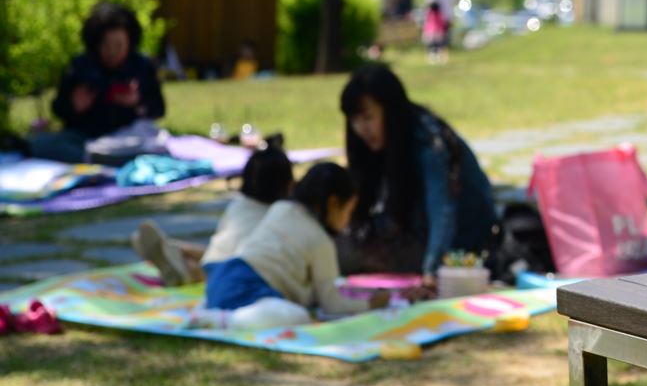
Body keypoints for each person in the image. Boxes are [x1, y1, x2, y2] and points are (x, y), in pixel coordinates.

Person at [338, 64, 496, 298]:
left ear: (390, 112)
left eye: (368, 118)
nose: (361, 129)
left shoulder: (428, 142)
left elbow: (442, 211)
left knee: (344, 254)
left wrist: (431, 274)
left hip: (459, 245)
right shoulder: (385, 142)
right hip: (417, 235)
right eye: (354, 120)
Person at [202, 162, 389, 320]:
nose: (348, 220)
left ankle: (216, 316)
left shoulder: (281, 208)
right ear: (333, 203)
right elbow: (332, 304)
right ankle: (226, 321)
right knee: (298, 317)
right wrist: (371, 303)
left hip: (222, 278)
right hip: (252, 293)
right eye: (348, 211)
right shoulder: (320, 241)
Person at [130, 147, 295, 286]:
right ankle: (186, 269)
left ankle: (174, 248)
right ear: (287, 183)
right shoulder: (283, 214)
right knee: (215, 273)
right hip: (235, 271)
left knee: (211, 257)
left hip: (216, 256)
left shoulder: (238, 206)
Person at [30, 2, 166, 163]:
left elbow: (158, 109)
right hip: (84, 137)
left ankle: (96, 157)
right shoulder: (80, 66)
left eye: (119, 45)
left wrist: (137, 103)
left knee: (152, 141)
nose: (112, 52)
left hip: (126, 136)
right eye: (106, 45)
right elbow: (59, 109)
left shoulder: (141, 66)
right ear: (95, 43)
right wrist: (74, 106)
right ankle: (98, 157)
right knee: (40, 144)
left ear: (130, 41)